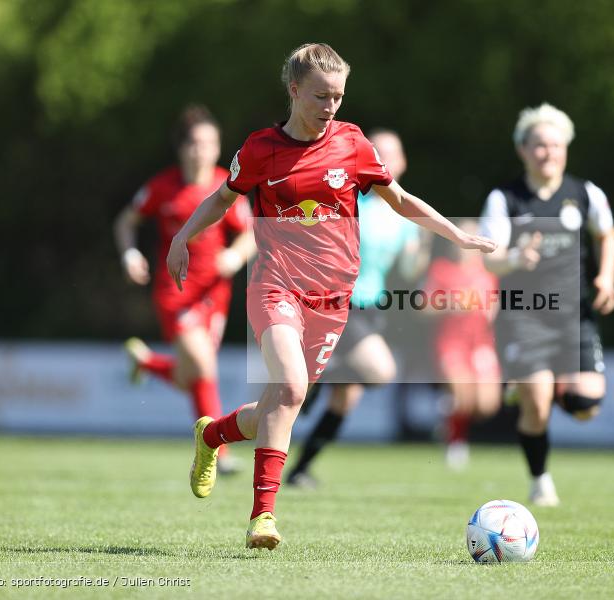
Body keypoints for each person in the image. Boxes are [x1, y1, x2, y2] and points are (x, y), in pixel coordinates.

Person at [165, 43, 496, 550]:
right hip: (275, 285)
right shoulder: (259, 150)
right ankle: (263, 518)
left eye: (339, 97)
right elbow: (221, 198)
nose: (331, 107)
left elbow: (402, 201)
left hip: (333, 299)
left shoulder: (353, 144)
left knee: (280, 402)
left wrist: (458, 236)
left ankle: (213, 435)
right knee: (293, 387)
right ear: (294, 90)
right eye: (321, 96)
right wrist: (181, 236)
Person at [479, 103, 614, 507]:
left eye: (556, 146)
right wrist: (514, 259)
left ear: (566, 149)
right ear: (523, 150)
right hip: (523, 314)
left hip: (575, 315)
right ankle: (540, 481)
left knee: (584, 405)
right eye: (539, 145)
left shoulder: (585, 193)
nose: (548, 153)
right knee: (538, 405)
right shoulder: (504, 199)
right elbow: (490, 257)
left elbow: (607, 237)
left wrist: (606, 277)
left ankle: (534, 384)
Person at [285, 128, 429, 489]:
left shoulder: (404, 216)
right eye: (379, 153)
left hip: (370, 309)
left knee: (345, 398)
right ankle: (316, 377)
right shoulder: (351, 202)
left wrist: (422, 251)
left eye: (393, 154)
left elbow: (409, 271)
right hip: (338, 301)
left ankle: (300, 469)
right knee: (380, 370)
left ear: (404, 162)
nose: (386, 160)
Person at [113, 105, 255, 470]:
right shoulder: (163, 187)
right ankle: (218, 452)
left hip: (215, 295)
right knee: (204, 366)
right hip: (174, 291)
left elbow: (252, 233)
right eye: (194, 143)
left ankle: (146, 363)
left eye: (209, 142)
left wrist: (235, 258)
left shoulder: (228, 186)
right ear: (182, 148)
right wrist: (129, 254)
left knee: (191, 376)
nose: (201, 150)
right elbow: (125, 222)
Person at [423, 219, 501, 470]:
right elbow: (422, 308)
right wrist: (447, 304)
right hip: (451, 342)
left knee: (487, 405)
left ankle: (448, 414)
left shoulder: (488, 272)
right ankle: (455, 441)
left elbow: (494, 305)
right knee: (461, 393)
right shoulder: (441, 269)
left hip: (480, 343)